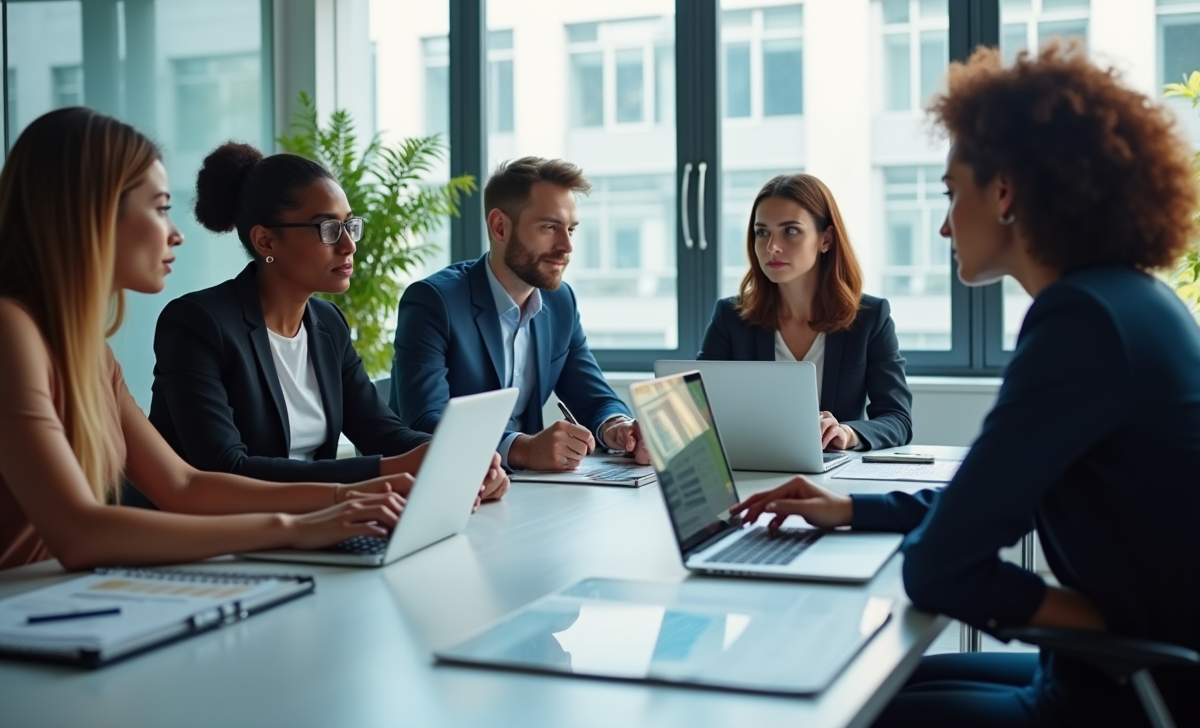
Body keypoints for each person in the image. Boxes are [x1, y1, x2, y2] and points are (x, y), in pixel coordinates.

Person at [732, 44, 1200, 727]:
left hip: (1133, 685)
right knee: (892, 681)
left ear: (1004, 192)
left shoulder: (1080, 321)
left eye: (953, 193)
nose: (946, 223)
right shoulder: (1129, 300)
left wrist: (1103, 617)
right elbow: (988, 500)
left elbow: (939, 568)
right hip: (1130, 663)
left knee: (846, 707)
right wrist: (853, 509)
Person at [0, 108, 412, 571]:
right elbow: (81, 533)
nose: (175, 234)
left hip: (62, 599)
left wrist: (349, 497)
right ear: (91, 214)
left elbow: (185, 485)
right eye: (159, 209)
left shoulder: (91, 351)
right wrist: (296, 528)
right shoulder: (11, 330)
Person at [145, 142, 507, 502]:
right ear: (266, 240)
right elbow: (226, 468)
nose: (349, 244)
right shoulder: (197, 324)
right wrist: (383, 472)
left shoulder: (328, 324)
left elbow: (383, 433)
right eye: (328, 228)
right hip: (208, 538)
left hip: (317, 524)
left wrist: (463, 456)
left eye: (349, 225)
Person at [390, 156, 648, 471]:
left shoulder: (559, 302)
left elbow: (594, 398)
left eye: (571, 229)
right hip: (447, 487)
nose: (567, 246)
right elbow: (424, 422)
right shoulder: (434, 302)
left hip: (525, 490)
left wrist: (618, 428)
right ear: (500, 227)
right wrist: (522, 449)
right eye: (550, 227)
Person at [699, 173, 912, 450]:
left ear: (826, 240)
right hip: (751, 472)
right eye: (762, 232)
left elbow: (897, 419)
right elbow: (695, 411)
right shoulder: (730, 317)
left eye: (790, 231)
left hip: (834, 478)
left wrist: (847, 433)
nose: (772, 246)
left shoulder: (871, 318)